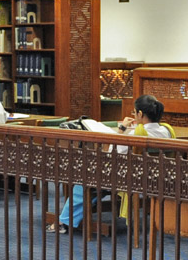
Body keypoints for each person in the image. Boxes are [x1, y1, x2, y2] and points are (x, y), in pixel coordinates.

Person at [48, 95, 174, 234]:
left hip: (130, 179)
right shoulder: (166, 131)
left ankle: (64, 222)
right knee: (95, 181)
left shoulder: (136, 135)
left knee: (84, 179)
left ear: (140, 114)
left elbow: (111, 154)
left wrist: (121, 131)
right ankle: (71, 217)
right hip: (155, 177)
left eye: (134, 112)